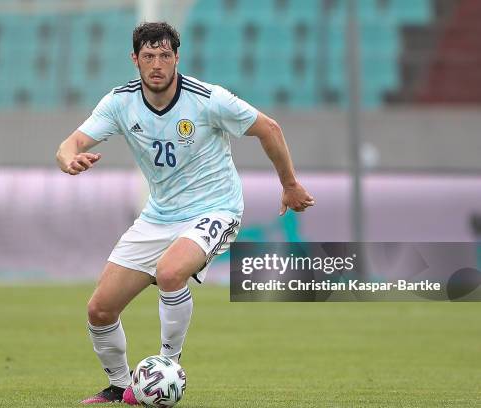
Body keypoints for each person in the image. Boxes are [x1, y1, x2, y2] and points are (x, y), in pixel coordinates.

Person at [56, 21, 315, 404]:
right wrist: (68, 160)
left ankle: (167, 368)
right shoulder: (120, 102)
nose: (157, 64)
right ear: (135, 60)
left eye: (164, 55)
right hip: (159, 216)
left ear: (177, 58)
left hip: (216, 208)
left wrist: (290, 184)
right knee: (99, 309)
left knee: (170, 271)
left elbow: (269, 128)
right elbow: (71, 142)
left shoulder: (209, 99)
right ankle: (119, 386)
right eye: (148, 56)